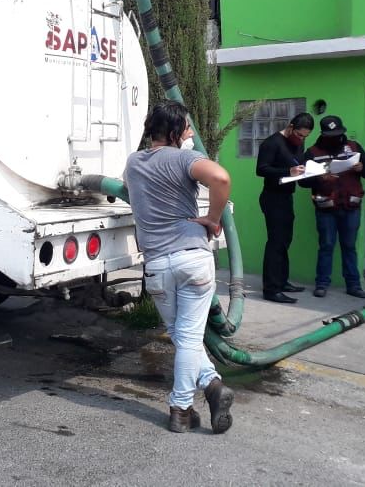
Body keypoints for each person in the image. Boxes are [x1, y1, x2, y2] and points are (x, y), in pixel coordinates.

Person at [124, 101, 237, 433]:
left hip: (157, 263)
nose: (191, 133)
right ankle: (181, 408)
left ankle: (213, 386)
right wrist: (213, 219)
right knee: (187, 337)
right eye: (187, 128)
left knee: (180, 334)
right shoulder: (185, 158)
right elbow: (221, 177)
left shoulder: (133, 163)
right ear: (174, 132)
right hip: (192, 258)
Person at [298, 115, 365, 299]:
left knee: (349, 246)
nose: (335, 137)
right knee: (326, 245)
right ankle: (322, 284)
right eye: (331, 134)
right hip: (326, 208)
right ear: (323, 134)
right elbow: (302, 182)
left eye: (338, 133)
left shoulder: (354, 148)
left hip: (351, 206)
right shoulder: (312, 152)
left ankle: (354, 285)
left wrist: (361, 168)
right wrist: (319, 177)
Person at [255, 112, 315, 303]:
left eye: (305, 136)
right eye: (299, 135)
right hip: (272, 198)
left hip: (287, 196)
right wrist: (287, 171)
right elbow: (261, 169)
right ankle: (271, 289)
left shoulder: (297, 143)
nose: (301, 139)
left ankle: (282, 281)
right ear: (290, 127)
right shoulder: (272, 143)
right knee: (275, 242)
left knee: (285, 240)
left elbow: (298, 164)